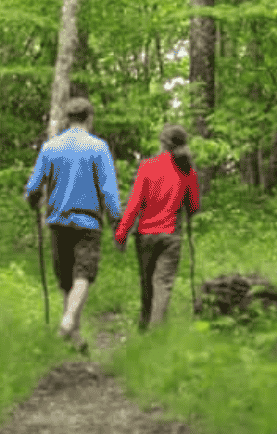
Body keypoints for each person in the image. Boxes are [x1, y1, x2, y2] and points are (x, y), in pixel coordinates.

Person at [24, 97, 122, 349]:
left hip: (58, 221)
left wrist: (33, 199)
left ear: (67, 119)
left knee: (67, 278)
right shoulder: (98, 148)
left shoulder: (50, 147)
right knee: (83, 274)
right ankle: (69, 322)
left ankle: (74, 337)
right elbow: (108, 191)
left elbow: (34, 188)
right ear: (90, 118)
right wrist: (116, 222)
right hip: (88, 221)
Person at [114, 123, 201, 332]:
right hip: (171, 236)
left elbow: (134, 203)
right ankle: (153, 331)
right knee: (162, 284)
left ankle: (145, 328)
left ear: (163, 144)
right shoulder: (187, 170)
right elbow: (194, 206)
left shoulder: (147, 166)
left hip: (145, 236)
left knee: (147, 284)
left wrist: (121, 234)